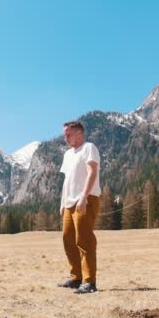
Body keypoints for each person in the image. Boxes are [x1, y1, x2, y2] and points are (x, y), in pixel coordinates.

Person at [57, 121, 101, 294]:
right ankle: (77, 278)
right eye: (65, 134)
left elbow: (92, 172)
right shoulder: (68, 154)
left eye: (68, 134)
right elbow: (67, 180)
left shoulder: (89, 148)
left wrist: (84, 196)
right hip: (69, 202)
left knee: (84, 240)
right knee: (68, 240)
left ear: (79, 133)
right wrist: (62, 202)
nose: (65, 137)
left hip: (86, 198)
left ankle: (89, 282)